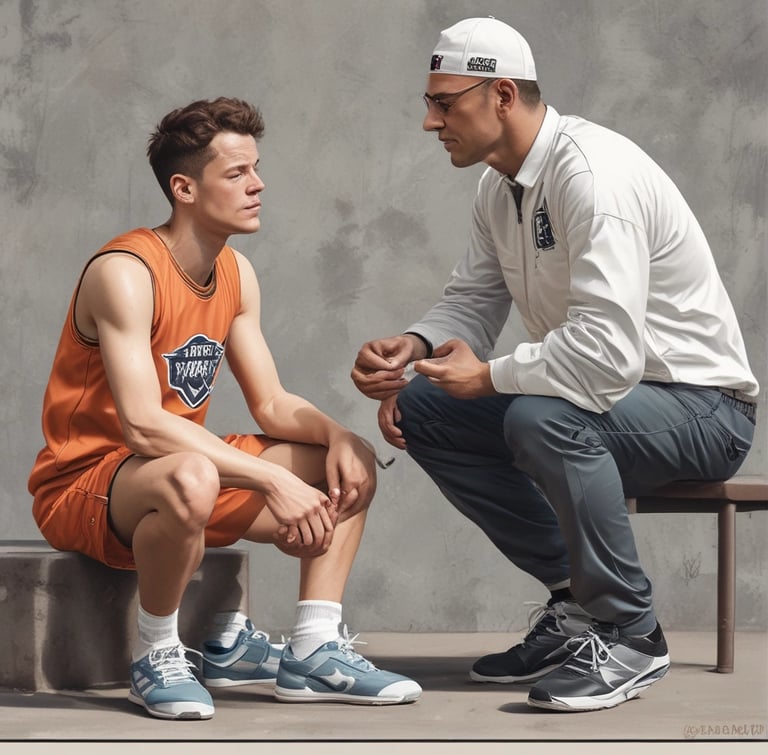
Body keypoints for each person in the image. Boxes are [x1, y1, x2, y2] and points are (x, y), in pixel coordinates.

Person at [351, 17, 759, 712]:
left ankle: (632, 634)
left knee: (542, 418)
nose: (429, 121)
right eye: (429, 102)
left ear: (503, 95)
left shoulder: (594, 178)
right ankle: (577, 604)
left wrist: (489, 376)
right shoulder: (498, 186)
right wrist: (415, 346)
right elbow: (473, 300)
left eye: (444, 103)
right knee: (425, 408)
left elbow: (606, 353)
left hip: (702, 408)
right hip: (601, 398)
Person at [28, 96, 421, 720]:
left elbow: (271, 402)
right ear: (184, 188)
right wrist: (271, 480)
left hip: (186, 477)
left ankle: (313, 648)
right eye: (237, 173)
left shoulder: (235, 273)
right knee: (192, 474)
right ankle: (157, 654)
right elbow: (142, 425)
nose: (257, 184)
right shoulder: (125, 272)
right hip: (87, 485)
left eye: (256, 169)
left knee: (346, 462)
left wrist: (338, 434)